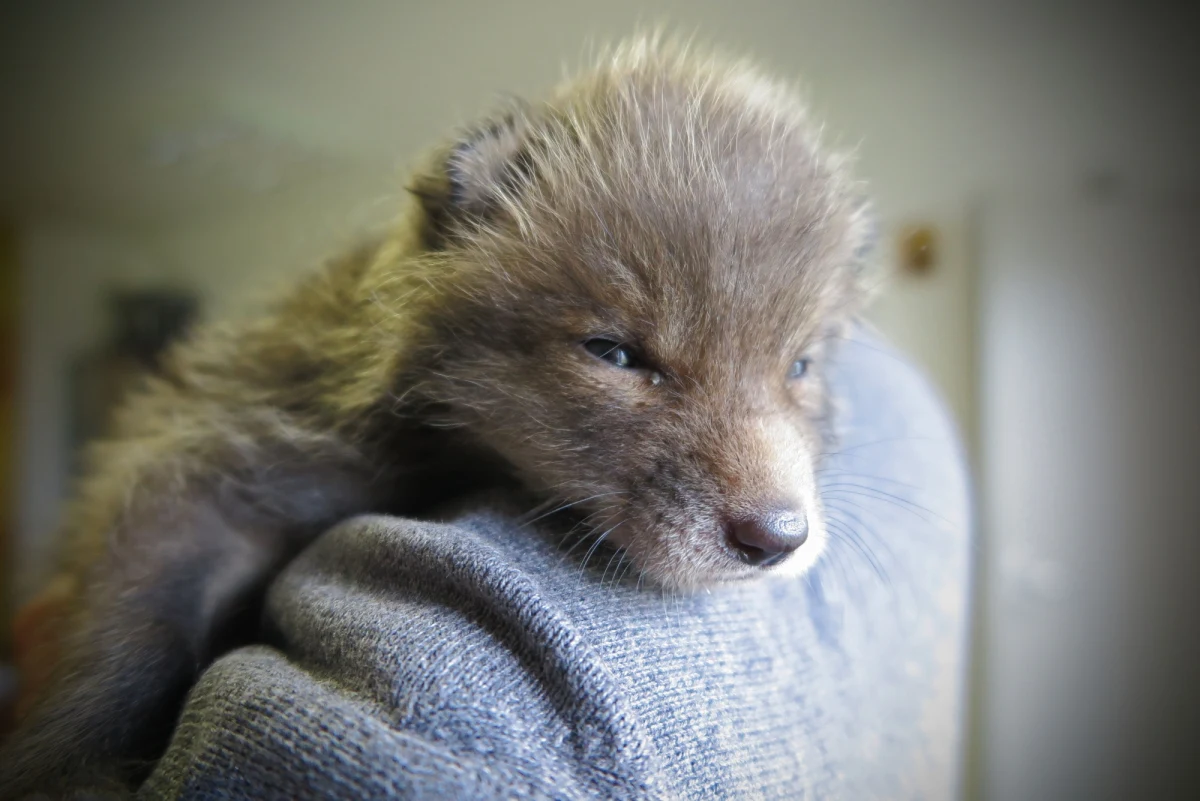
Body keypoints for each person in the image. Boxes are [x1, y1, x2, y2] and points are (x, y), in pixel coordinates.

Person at [134, 327, 972, 799]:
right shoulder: (908, 396)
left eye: (798, 365)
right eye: (619, 352)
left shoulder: (493, 707)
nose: (779, 506)